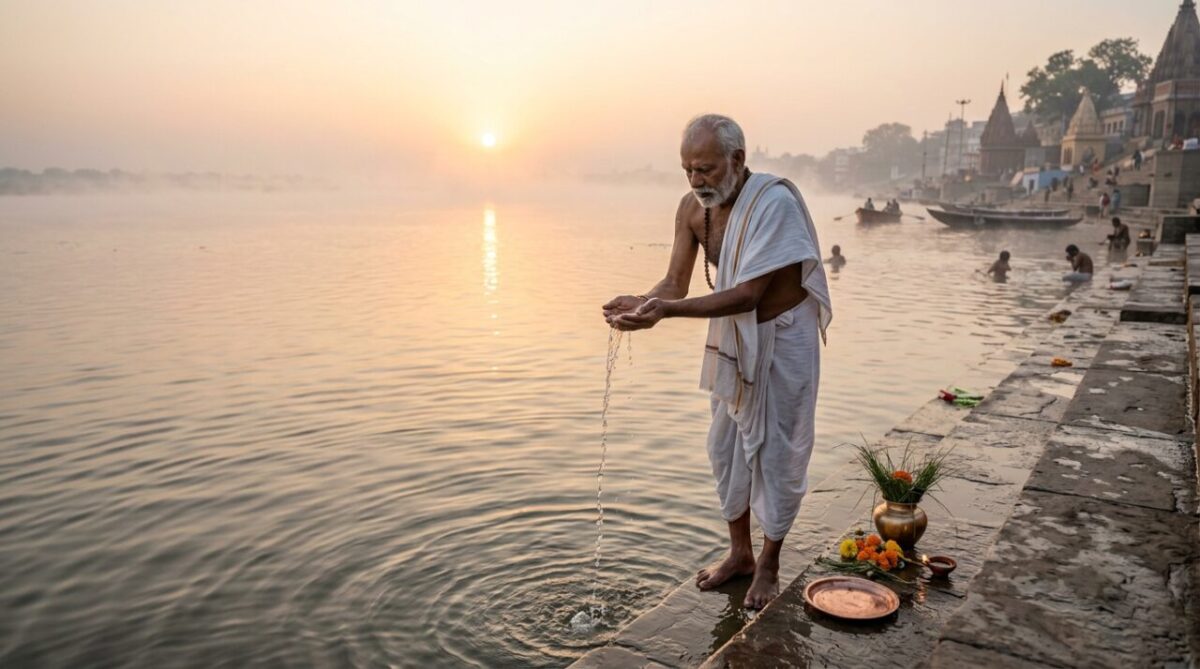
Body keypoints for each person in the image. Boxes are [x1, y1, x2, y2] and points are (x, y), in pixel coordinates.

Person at [603, 115, 831, 610]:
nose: (695, 179)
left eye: (705, 169)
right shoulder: (691, 209)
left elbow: (748, 295)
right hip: (733, 337)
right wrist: (644, 301)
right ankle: (740, 554)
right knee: (725, 449)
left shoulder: (774, 203)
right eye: (687, 170)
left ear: (737, 159)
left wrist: (666, 313)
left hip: (784, 335)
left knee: (780, 451)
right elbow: (675, 283)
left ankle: (769, 564)